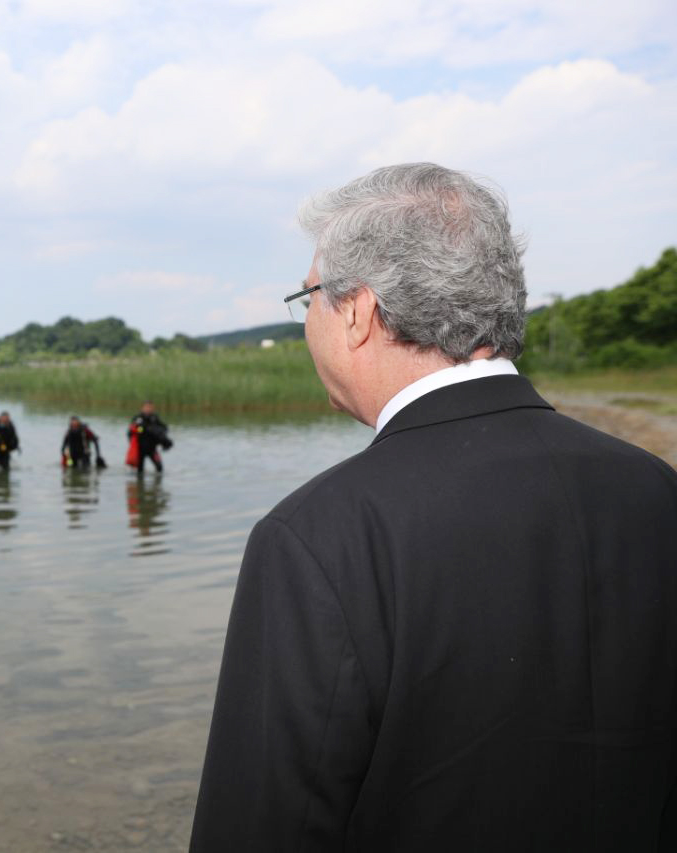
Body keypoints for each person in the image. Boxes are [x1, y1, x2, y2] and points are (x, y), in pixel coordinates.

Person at [190, 163, 677, 851]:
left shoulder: (320, 536)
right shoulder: (654, 488)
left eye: (309, 301)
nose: (308, 326)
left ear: (356, 311)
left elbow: (263, 826)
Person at [125, 401, 171, 472]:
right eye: (147, 407)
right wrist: (143, 429)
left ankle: (157, 482)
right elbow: (133, 431)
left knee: (159, 467)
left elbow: (164, 427)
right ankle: (139, 482)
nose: (148, 409)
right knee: (140, 470)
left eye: (150, 408)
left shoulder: (154, 418)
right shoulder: (138, 419)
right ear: (142, 408)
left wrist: (162, 433)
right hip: (140, 449)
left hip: (152, 448)